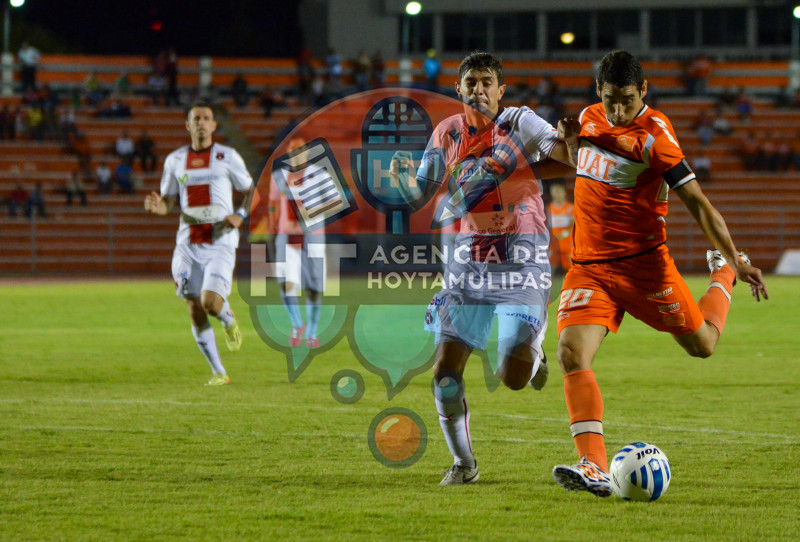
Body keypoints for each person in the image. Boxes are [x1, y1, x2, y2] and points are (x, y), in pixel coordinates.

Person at [549, 50, 768, 497]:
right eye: (610, 99)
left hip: (645, 268)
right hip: (589, 267)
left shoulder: (656, 137)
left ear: (643, 91)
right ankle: (592, 465)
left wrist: (736, 260)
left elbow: (699, 206)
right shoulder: (590, 119)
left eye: (626, 99)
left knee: (703, 344)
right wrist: (570, 145)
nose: (617, 110)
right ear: (598, 92)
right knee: (572, 354)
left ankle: (721, 274)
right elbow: (589, 170)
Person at [414, 51, 576, 485]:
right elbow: (422, 188)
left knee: (514, 378)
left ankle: (535, 348)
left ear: (501, 91)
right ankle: (464, 464)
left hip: (521, 253)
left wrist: (563, 141)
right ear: (459, 89)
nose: (479, 89)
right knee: (446, 371)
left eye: (487, 82)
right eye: (471, 82)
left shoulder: (520, 122)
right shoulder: (446, 132)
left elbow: (565, 157)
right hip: (469, 257)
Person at [143, 101, 253, 386]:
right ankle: (219, 372)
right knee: (194, 306)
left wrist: (240, 214)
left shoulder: (228, 156)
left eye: (206, 118)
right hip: (188, 241)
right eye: (196, 119)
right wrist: (158, 207)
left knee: (210, 302)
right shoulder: (174, 160)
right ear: (187, 125)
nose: (201, 123)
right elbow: (168, 202)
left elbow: (253, 191)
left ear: (214, 125)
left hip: (220, 240)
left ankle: (229, 322)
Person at [267, 136, 327, 349]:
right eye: (293, 149)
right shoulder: (279, 176)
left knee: (312, 287)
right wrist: (272, 226)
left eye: (300, 149)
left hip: (312, 236)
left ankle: (311, 332)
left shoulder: (319, 175)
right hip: (286, 235)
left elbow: (332, 202)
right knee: (286, 283)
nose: (296, 153)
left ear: (307, 152)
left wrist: (309, 212)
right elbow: (273, 203)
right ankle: (297, 324)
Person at [547, 181, 574, 275]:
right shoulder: (548, 208)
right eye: (554, 191)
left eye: (559, 191)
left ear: (564, 192)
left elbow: (575, 225)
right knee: (549, 270)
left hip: (567, 244)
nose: (557, 194)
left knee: (571, 271)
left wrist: (565, 233)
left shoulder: (570, 207)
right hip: (553, 244)